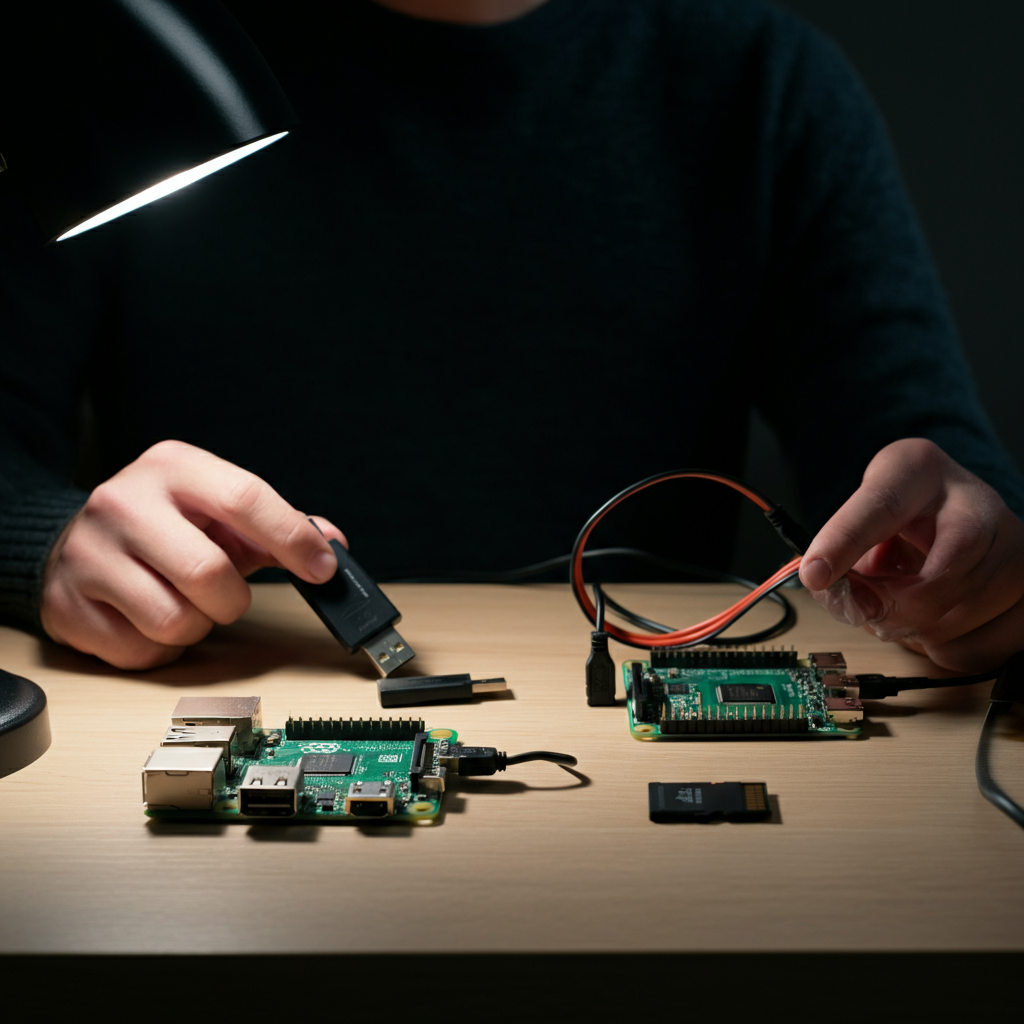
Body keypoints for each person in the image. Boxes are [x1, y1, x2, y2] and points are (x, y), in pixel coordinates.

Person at [1, 0, 1022, 674]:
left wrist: (976, 554)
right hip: (202, 707)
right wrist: (42, 540)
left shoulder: (760, 80)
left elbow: (928, 468)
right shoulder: (135, 71)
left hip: (645, 788)